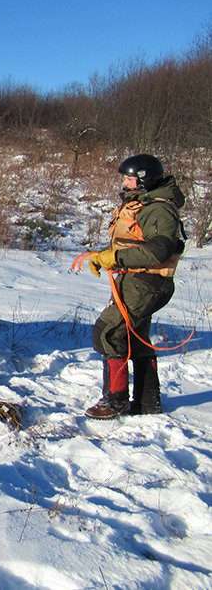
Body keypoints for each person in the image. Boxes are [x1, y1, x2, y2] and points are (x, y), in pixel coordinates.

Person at [79, 154, 186, 419]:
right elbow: (131, 243)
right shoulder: (144, 203)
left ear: (143, 180)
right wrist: (102, 256)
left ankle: (115, 401)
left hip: (147, 282)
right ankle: (147, 402)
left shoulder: (158, 209)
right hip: (137, 279)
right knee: (134, 339)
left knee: (108, 332)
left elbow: (158, 250)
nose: (125, 183)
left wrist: (113, 258)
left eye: (129, 178)